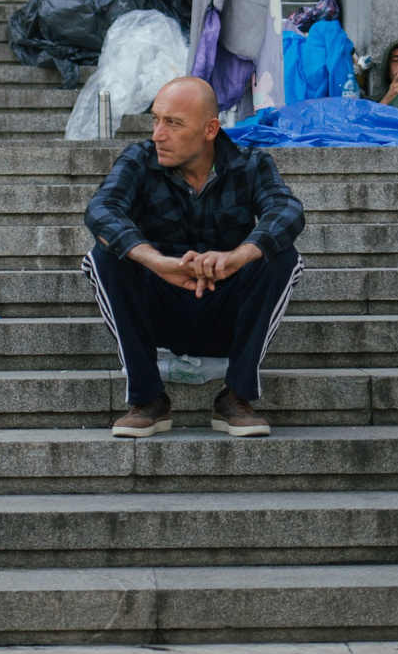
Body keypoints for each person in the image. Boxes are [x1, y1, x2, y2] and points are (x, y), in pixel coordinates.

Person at [82, 75, 305, 438]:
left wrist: (237, 257)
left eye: (173, 123)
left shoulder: (251, 165)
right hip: (160, 312)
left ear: (210, 129)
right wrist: (156, 261)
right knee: (104, 254)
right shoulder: (140, 159)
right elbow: (101, 210)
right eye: (155, 119)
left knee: (282, 256)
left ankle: (237, 396)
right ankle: (148, 399)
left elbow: (288, 211)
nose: (157, 134)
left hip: (226, 314)